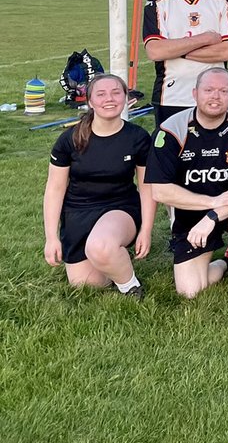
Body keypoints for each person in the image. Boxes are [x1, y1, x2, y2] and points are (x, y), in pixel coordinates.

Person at [145, 67, 228, 310]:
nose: (216, 96)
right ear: (194, 94)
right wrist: (210, 205)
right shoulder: (171, 130)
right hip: (192, 213)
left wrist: (213, 216)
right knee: (191, 291)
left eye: (224, 91)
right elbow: (160, 191)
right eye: (209, 90)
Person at [42, 73, 154, 299]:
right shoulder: (69, 139)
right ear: (90, 102)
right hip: (78, 211)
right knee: (86, 284)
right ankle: (112, 256)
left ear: (126, 98)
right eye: (101, 94)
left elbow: (147, 187)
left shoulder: (138, 137)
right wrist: (51, 237)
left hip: (120, 208)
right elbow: (55, 189)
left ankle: (130, 287)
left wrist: (146, 231)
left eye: (116, 92)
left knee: (101, 246)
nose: (109, 99)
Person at [143, 0, 228, 126]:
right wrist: (205, 39)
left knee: (212, 152)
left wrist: (175, 48)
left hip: (214, 96)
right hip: (170, 96)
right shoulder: (157, 2)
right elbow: (155, 51)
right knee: (170, 152)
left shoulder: (222, 1)